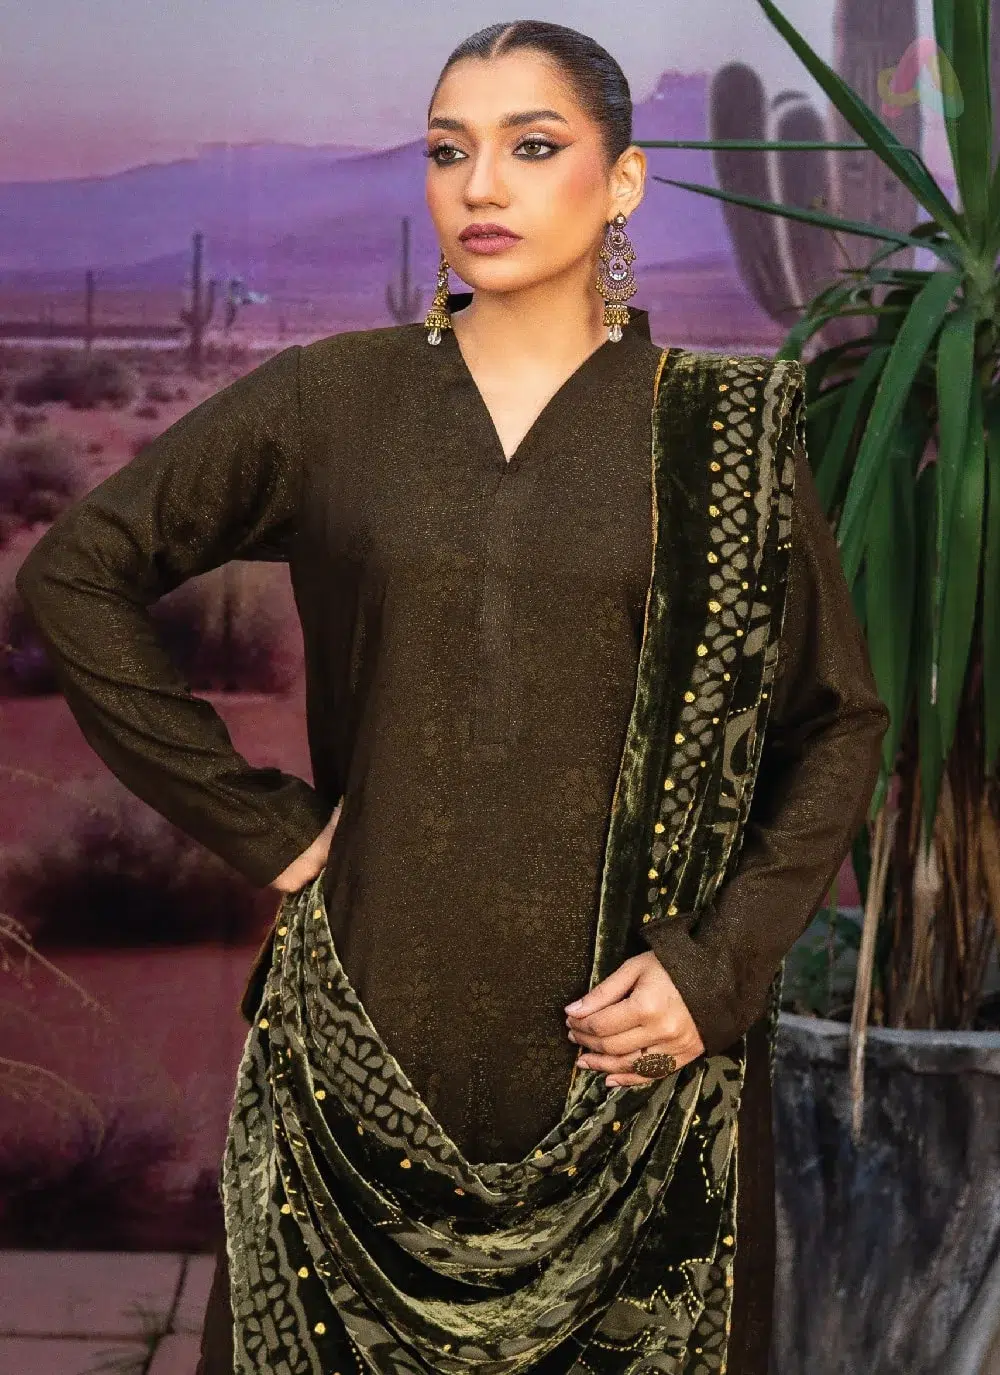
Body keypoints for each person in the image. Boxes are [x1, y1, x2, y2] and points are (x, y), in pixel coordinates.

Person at [14, 19, 889, 1375]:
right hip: (364, 1058)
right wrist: (253, 818)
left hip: (636, 1067)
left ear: (623, 180)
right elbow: (79, 572)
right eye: (446, 150)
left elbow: (837, 723)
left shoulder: (727, 429)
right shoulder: (336, 400)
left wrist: (717, 971)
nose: (480, 185)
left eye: (532, 147)